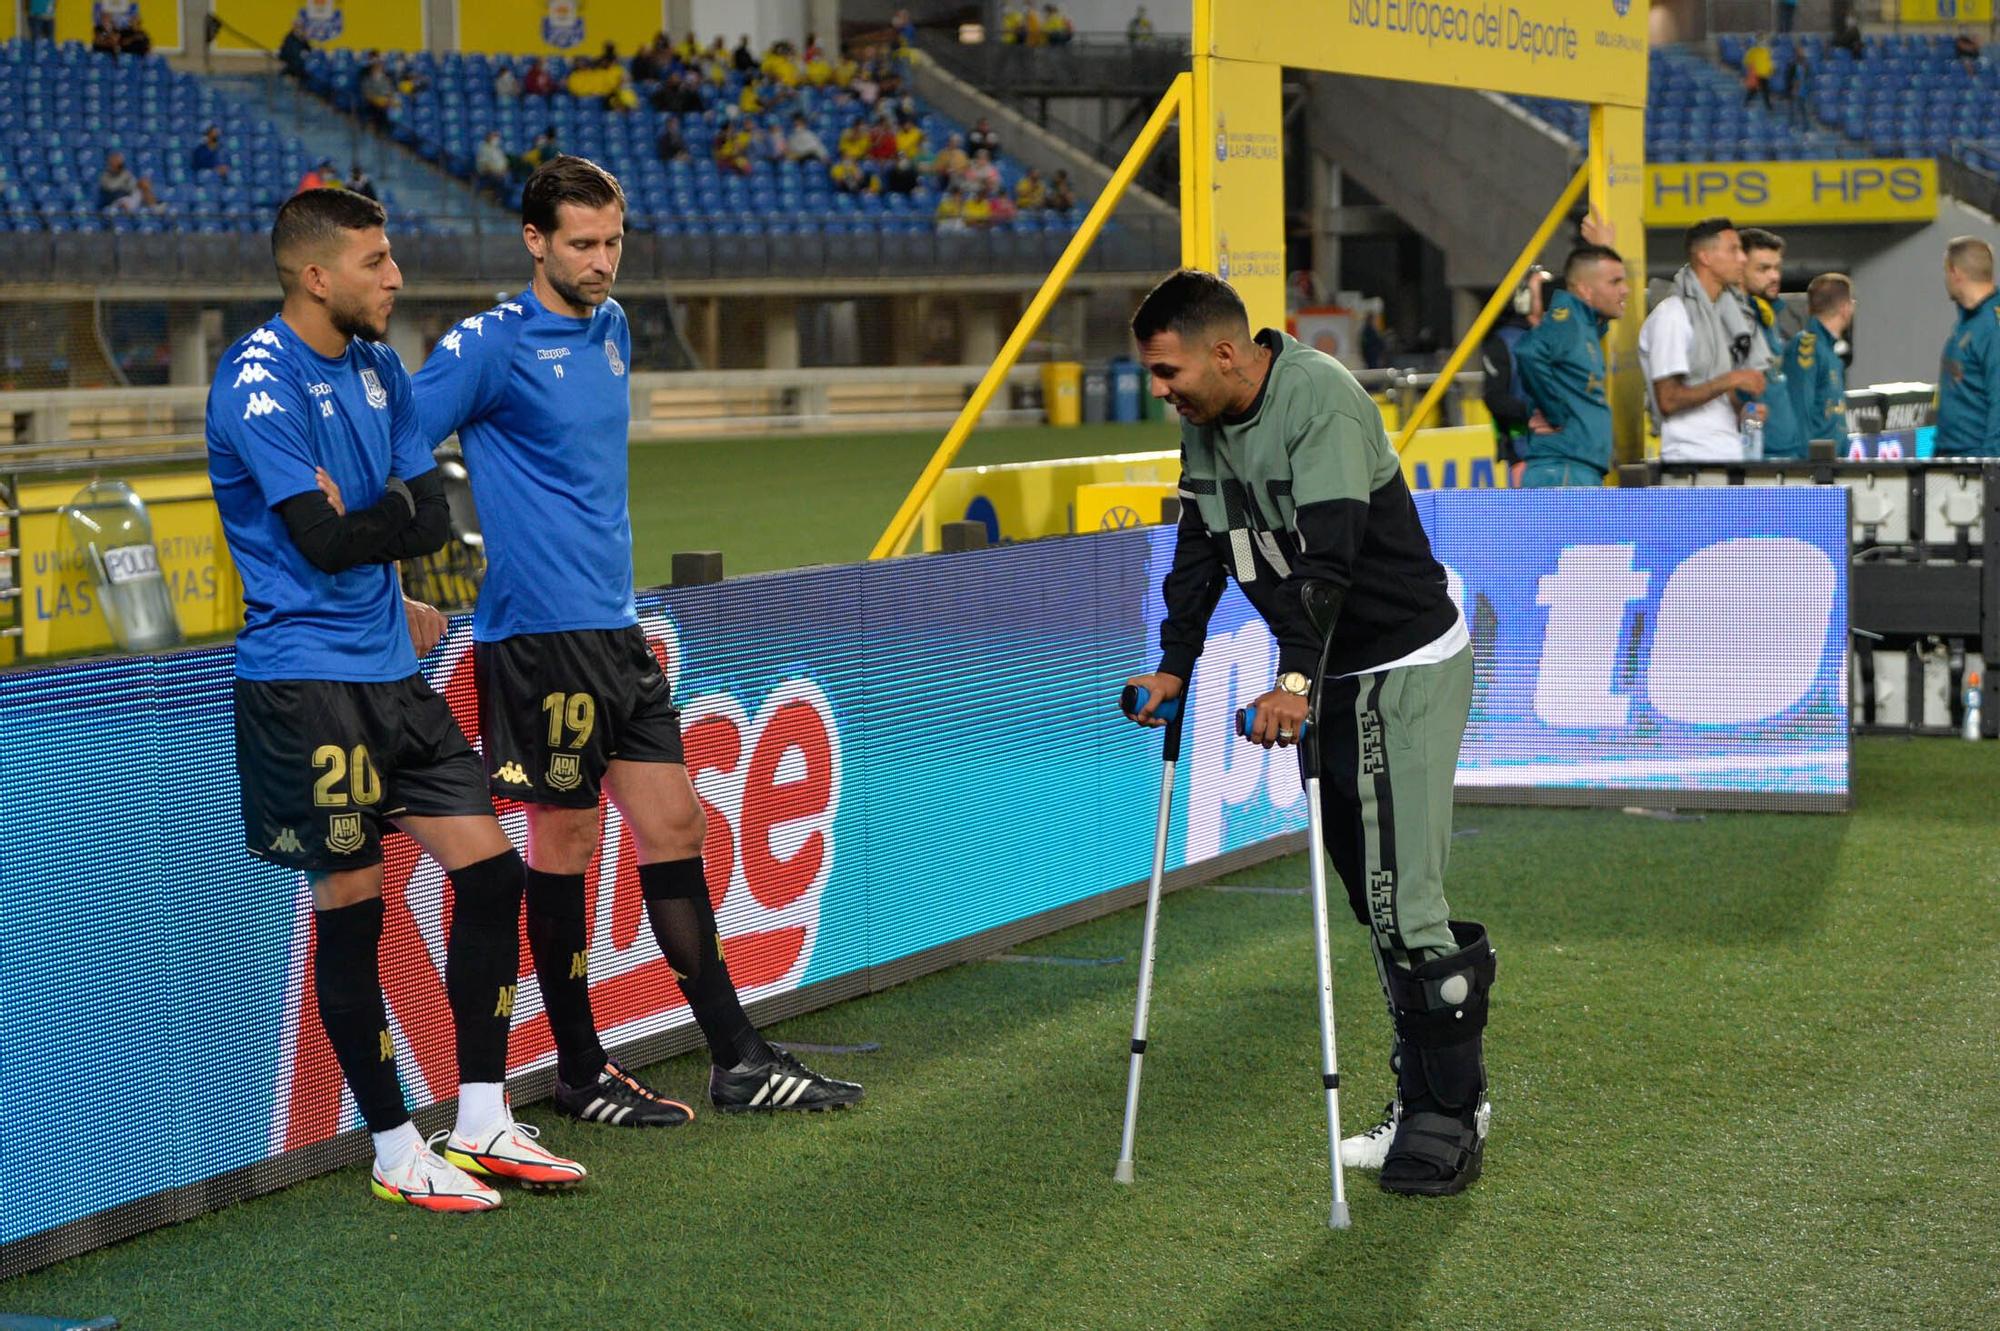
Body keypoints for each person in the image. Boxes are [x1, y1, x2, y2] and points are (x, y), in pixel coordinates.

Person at [411, 158, 865, 1123]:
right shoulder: (487, 345)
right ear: (534, 241)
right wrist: (389, 578)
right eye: (582, 243)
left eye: (613, 241)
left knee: (675, 826)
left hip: (616, 633)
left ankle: (735, 1058)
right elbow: (396, 441)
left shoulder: (613, 329)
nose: (602, 261)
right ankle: (579, 1070)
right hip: (539, 639)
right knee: (566, 838)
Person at [205, 188, 585, 1212]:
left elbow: (432, 518)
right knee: (354, 908)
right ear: (317, 275)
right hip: (305, 686)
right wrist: (381, 518)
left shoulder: (376, 366)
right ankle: (388, 1143)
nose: (396, 276)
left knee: (492, 874)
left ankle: (478, 1118)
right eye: (376, 260)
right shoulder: (256, 385)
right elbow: (326, 543)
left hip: (391, 674)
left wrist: (368, 515)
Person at [1121, 269, 1493, 1197]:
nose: (1159, 392)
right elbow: (1204, 543)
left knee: (1406, 901)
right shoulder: (1203, 423)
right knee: (1374, 897)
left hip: (1399, 664)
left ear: (1225, 351)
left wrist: (1290, 678)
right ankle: (1426, 1098)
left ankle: (1451, 1116)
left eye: (1168, 372)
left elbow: (1328, 562)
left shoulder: (1320, 399)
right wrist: (1176, 661)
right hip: (1330, 669)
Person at [1639, 217, 1768, 463]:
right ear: (1705, 257)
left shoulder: (1721, 316)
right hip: (1688, 463)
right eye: (1733, 249)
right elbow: (1668, 400)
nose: (1742, 258)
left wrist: (1744, 412)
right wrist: (1731, 379)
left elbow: (1714, 396)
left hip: (1727, 456)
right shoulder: (1673, 315)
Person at [1513, 245, 1628, 486]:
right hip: (1563, 471)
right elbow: (1528, 350)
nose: (1625, 290)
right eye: (1615, 282)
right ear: (1585, 290)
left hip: (1574, 469)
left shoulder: (1585, 324)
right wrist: (1554, 412)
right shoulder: (1568, 320)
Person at [1736, 228, 1805, 460]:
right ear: (1739, 269)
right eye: (1763, 269)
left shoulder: (1766, 315)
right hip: (1758, 456)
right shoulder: (1732, 322)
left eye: (1777, 268)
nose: (1774, 276)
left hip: (1786, 450)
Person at [1479, 264, 1550, 480]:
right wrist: (1535, 414)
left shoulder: (1562, 339)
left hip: (1565, 451)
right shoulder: (1504, 342)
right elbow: (1495, 397)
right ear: (1524, 298)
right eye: (1543, 291)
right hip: (1524, 453)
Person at [1934, 235, 2000, 457]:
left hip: (1977, 466)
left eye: (1946, 272)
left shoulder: (1993, 327)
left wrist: (1990, 469)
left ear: (1955, 272)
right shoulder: (1968, 322)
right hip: (1954, 460)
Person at [1784, 273, 1855, 446]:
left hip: (1831, 465)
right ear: (1846, 308)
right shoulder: (1806, 347)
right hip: (1814, 467)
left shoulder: (1828, 351)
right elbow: (1800, 412)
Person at [1784, 41, 1812, 129]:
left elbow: (1807, 76)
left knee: (1804, 110)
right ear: (1796, 53)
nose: (1802, 53)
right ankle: (1791, 127)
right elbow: (1788, 78)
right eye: (1800, 51)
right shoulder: (1792, 64)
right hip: (1794, 91)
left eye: (1802, 51)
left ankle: (1805, 128)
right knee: (1793, 111)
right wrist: (1792, 89)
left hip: (1803, 91)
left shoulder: (1806, 64)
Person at [1742, 35, 1774, 109]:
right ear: (1756, 41)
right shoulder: (1752, 51)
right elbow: (1746, 61)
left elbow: (1769, 62)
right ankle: (1746, 103)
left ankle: (1768, 106)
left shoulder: (1767, 51)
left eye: (1763, 40)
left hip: (1764, 75)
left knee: (1766, 91)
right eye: (1760, 40)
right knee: (1753, 90)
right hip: (1756, 74)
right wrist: (1751, 70)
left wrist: (1771, 70)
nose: (1762, 42)